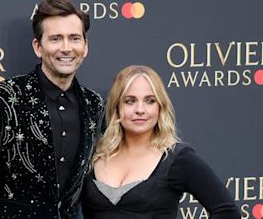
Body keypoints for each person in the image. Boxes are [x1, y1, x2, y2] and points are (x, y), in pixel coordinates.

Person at [0, 0, 104, 219]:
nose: (66, 48)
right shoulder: (2, 98)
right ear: (38, 46)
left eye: (74, 38)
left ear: (85, 45)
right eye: (55, 39)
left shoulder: (94, 104)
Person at [81, 65, 240, 218]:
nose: (140, 110)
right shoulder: (95, 155)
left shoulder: (176, 159)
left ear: (160, 107)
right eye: (130, 101)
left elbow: (227, 212)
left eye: (150, 101)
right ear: (116, 107)